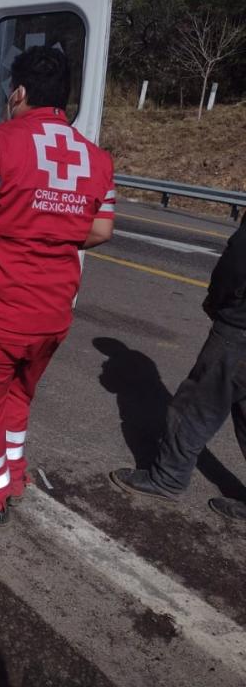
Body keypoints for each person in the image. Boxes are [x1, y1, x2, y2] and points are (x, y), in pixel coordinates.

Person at [0, 46, 116, 528]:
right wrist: (51, 227)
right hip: (54, 311)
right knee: (18, 394)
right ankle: (13, 473)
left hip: (0, 307)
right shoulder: (97, 158)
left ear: (19, 92)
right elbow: (100, 231)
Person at [110, 212, 246, 522]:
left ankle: (166, 479)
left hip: (239, 332)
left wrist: (217, 301)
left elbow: (236, 263)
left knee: (195, 408)